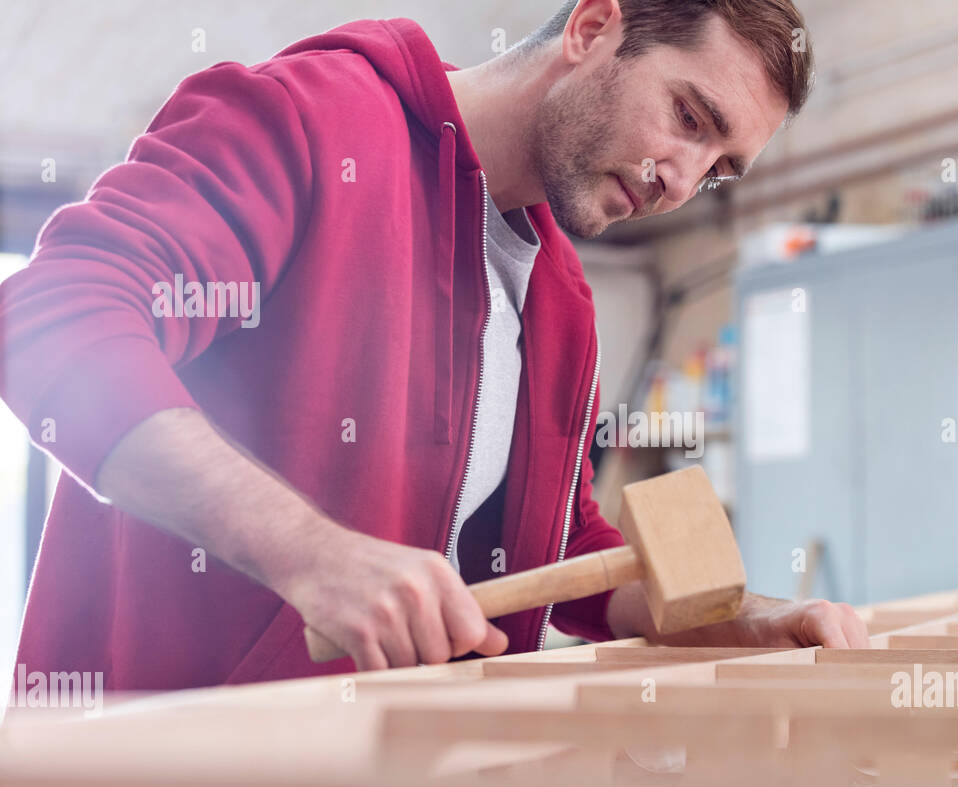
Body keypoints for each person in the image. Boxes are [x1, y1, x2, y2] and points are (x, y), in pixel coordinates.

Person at [0, 0, 867, 690]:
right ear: (594, 26)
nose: (682, 178)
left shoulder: (560, 300)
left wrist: (724, 615)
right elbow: (54, 316)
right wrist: (313, 555)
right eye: (688, 115)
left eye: (717, 167)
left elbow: (554, 548)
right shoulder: (308, 121)